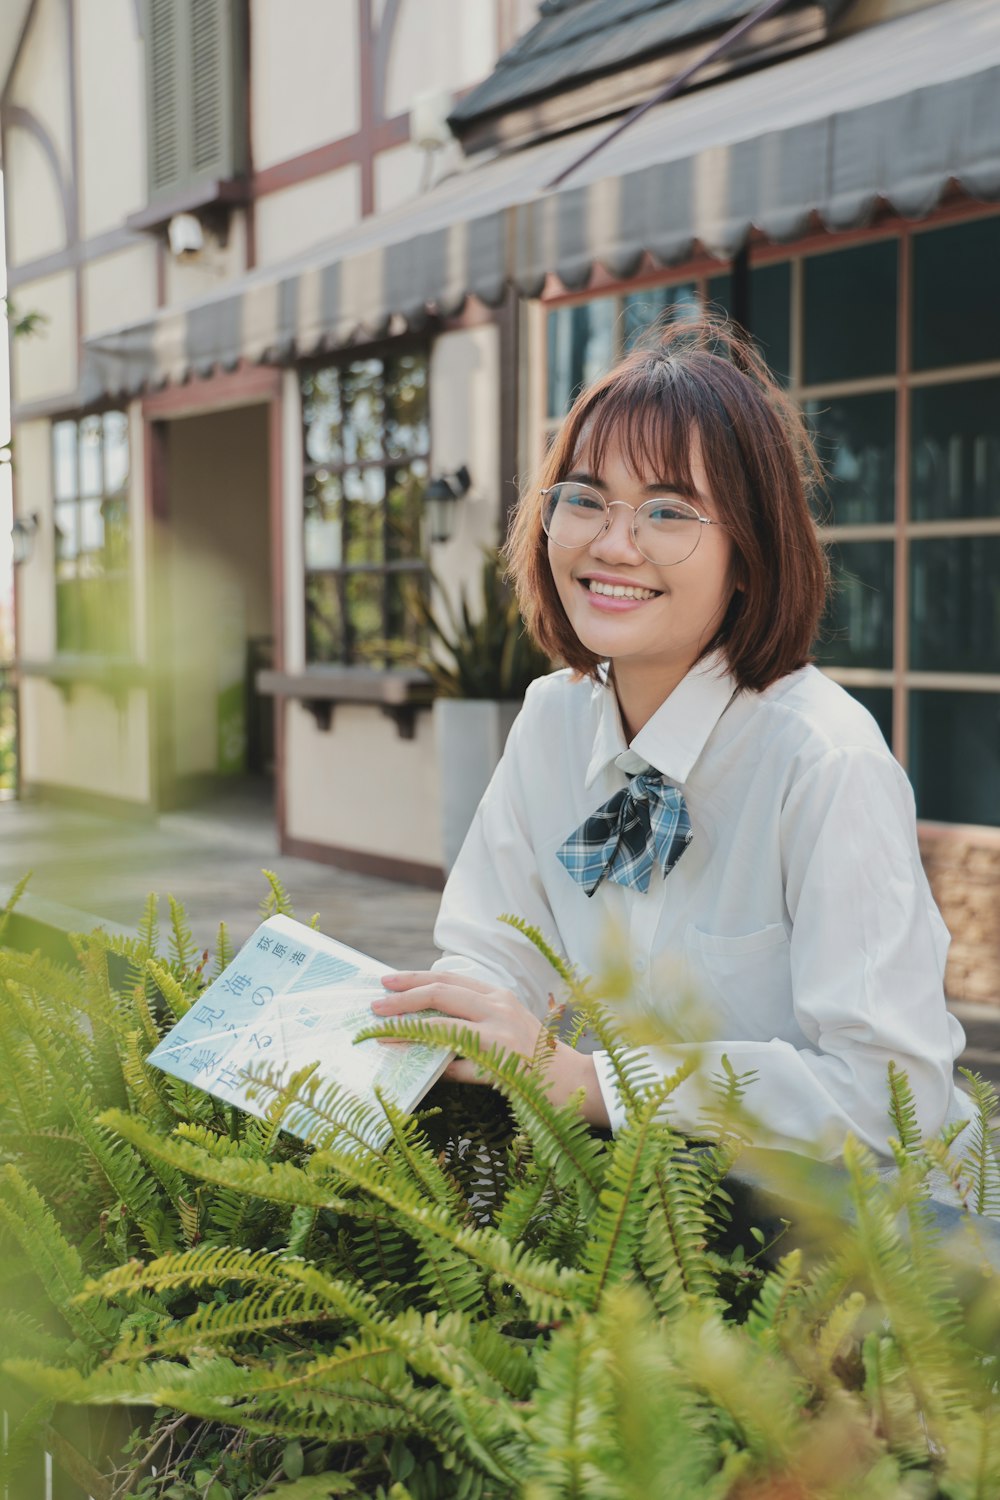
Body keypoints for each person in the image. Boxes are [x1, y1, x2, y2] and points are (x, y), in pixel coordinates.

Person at [372, 316, 974, 1162]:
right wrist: (454, 1025)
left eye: (668, 511)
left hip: (876, 1250)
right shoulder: (551, 721)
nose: (614, 544)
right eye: (583, 498)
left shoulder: (823, 761)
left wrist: (587, 1084)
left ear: (749, 552)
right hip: (651, 1220)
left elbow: (889, 1096)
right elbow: (491, 949)